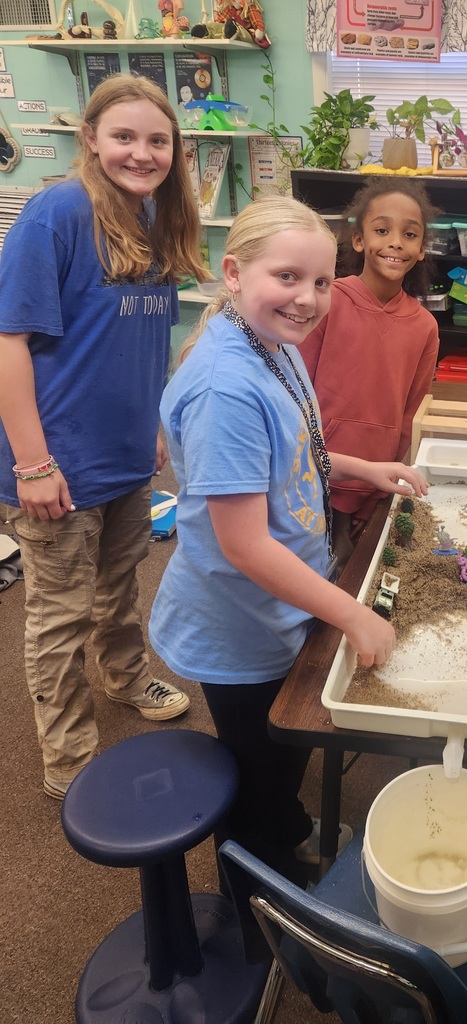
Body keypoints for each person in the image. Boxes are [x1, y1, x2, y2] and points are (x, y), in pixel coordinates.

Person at [149, 196, 429, 885]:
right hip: (236, 624)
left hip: (279, 605)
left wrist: (363, 467)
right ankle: (258, 885)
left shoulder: (272, 344)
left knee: (284, 748)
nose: (307, 299)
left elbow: (297, 441)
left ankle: (287, 830)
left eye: (322, 282)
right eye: (287, 278)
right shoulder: (226, 386)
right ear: (234, 272)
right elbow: (244, 545)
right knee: (258, 761)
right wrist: (351, 613)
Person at [0, 74, 205, 800]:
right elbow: (9, 341)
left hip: (124, 456)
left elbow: (137, 343)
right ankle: (68, 757)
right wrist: (32, 464)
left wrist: (150, 427)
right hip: (55, 463)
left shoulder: (154, 220)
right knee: (59, 615)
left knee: (118, 590)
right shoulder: (58, 211)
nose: (142, 153)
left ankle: (123, 678)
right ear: (90, 138)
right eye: (124, 136)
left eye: (157, 140)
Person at [299, 177, 441, 571]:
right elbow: (296, 392)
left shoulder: (425, 326)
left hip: (376, 485)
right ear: (359, 239)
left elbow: (413, 413)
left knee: (354, 572)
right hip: (314, 477)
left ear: (421, 247)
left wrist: (385, 493)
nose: (396, 242)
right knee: (307, 575)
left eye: (409, 234)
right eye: (382, 230)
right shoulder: (327, 301)